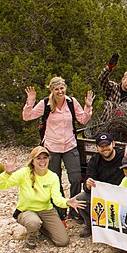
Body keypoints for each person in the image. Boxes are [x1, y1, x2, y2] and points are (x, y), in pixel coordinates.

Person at [23, 77, 93, 221]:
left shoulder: (71, 102)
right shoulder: (45, 104)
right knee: (56, 180)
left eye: (62, 88)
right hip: (52, 147)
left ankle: (75, 210)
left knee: (75, 178)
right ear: (52, 90)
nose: (60, 91)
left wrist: (87, 106)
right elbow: (27, 116)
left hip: (70, 145)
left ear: (65, 88)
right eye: (56, 89)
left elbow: (83, 120)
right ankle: (60, 210)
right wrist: (30, 101)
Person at [0, 146, 86, 249]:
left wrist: (67, 202)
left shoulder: (53, 176)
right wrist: (7, 174)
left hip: (46, 210)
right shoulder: (24, 173)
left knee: (63, 241)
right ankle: (31, 236)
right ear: (32, 161)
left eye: (45, 158)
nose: (42, 161)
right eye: (38, 158)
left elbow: (57, 198)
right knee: (33, 222)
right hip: (26, 210)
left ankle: (40, 227)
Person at [76, 132, 126, 238]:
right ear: (97, 148)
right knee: (81, 198)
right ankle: (90, 226)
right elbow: (87, 185)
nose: (105, 149)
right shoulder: (94, 161)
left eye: (107, 145)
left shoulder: (123, 156)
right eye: (101, 146)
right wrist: (88, 185)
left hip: (122, 196)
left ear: (113, 144)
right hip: (104, 197)